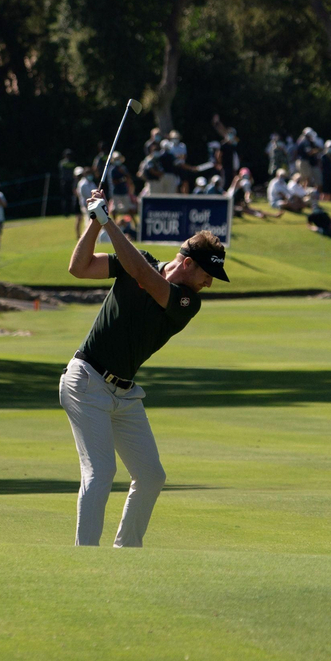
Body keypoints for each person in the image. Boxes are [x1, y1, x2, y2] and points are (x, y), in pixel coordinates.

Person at [63, 189, 227, 547]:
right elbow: (79, 267)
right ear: (188, 263)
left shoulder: (187, 302)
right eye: (207, 274)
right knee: (100, 471)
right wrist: (95, 223)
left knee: (151, 475)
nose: (209, 283)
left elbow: (142, 274)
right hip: (86, 380)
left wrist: (108, 221)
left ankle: (126, 553)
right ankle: (83, 559)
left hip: (123, 393)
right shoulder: (137, 261)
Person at [74, 167, 97, 238]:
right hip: (86, 205)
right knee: (88, 221)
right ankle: (87, 236)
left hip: (93, 205)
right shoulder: (82, 184)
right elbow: (86, 195)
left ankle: (90, 235)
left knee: (92, 220)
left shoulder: (92, 183)